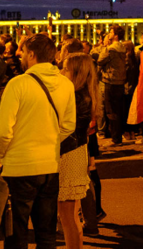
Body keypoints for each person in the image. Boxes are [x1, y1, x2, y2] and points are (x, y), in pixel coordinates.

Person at [0, 33, 76, 249]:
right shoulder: (65, 84)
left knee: (16, 234)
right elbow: (69, 125)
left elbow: (1, 131)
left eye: (22, 51)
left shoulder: (18, 84)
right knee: (46, 233)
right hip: (49, 166)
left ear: (31, 54)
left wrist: (4, 154)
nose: (19, 54)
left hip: (19, 167)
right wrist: (49, 141)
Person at [58, 53, 100, 249]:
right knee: (71, 215)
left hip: (69, 153)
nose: (61, 71)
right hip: (76, 151)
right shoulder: (84, 93)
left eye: (65, 68)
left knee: (68, 216)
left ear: (77, 73)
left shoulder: (76, 96)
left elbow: (68, 130)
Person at [97, 25, 127, 145]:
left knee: (111, 111)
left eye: (110, 32)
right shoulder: (123, 47)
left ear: (115, 35)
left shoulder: (111, 49)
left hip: (110, 81)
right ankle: (118, 135)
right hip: (120, 82)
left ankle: (115, 138)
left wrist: (106, 46)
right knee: (119, 110)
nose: (109, 33)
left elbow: (100, 60)